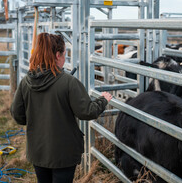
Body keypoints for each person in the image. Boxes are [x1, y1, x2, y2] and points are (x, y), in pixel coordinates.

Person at [10, 32, 112, 183]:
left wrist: (36, 119)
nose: (65, 57)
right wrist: (103, 100)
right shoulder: (69, 82)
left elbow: (17, 115)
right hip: (63, 154)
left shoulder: (26, 81)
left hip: (38, 151)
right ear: (58, 55)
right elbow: (87, 112)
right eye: (65, 53)